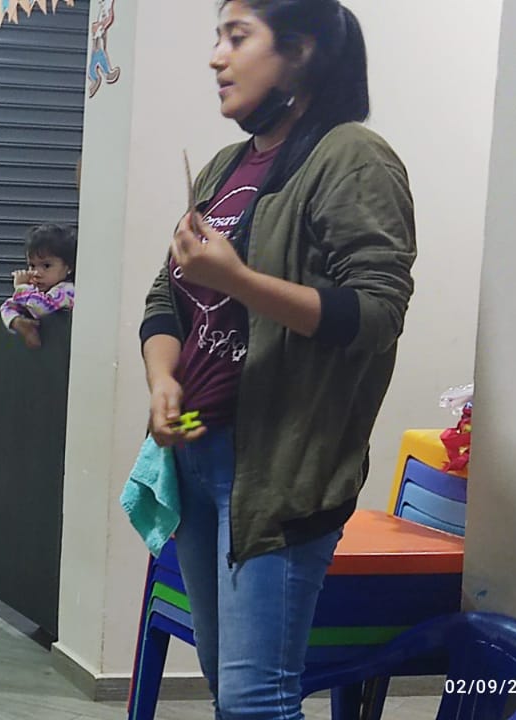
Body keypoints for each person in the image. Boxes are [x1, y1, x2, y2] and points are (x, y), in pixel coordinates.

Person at [139, 2, 415, 718]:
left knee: (255, 698)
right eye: (218, 38)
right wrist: (163, 380)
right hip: (197, 451)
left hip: (277, 469)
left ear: (301, 52)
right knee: (226, 681)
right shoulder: (226, 167)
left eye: (238, 37)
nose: (216, 57)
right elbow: (167, 297)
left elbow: (376, 313)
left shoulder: (352, 156)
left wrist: (238, 280)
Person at [1, 224, 77, 349]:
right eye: (32, 266)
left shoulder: (67, 290)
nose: (36, 273)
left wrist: (22, 287)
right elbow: (7, 306)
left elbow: (41, 307)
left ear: (69, 267)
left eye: (46, 266)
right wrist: (18, 322)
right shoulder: (36, 292)